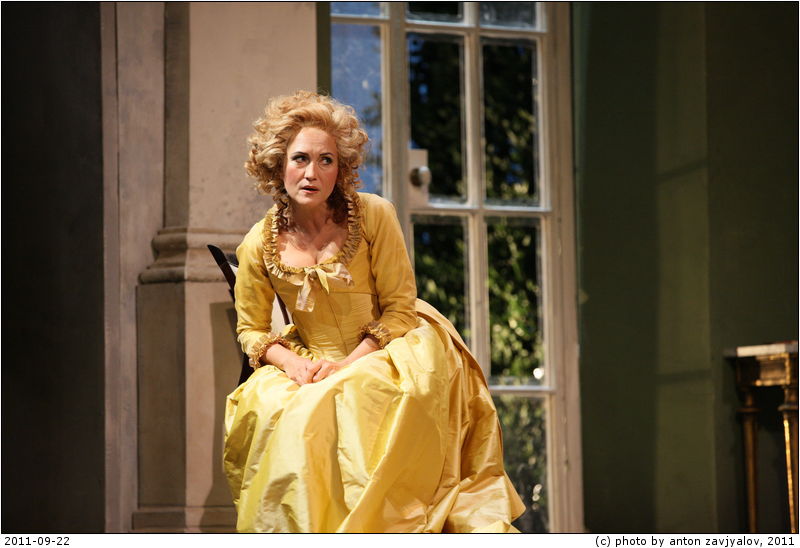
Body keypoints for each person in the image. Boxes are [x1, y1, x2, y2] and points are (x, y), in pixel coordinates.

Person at [223, 90, 525, 533]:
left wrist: (348, 364)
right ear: (278, 164)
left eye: (326, 160)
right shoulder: (258, 243)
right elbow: (250, 329)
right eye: (300, 159)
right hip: (310, 361)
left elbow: (400, 308)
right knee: (284, 412)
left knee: (362, 394)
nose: (312, 173)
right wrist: (294, 365)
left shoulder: (373, 215)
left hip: (386, 347)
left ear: (341, 168)